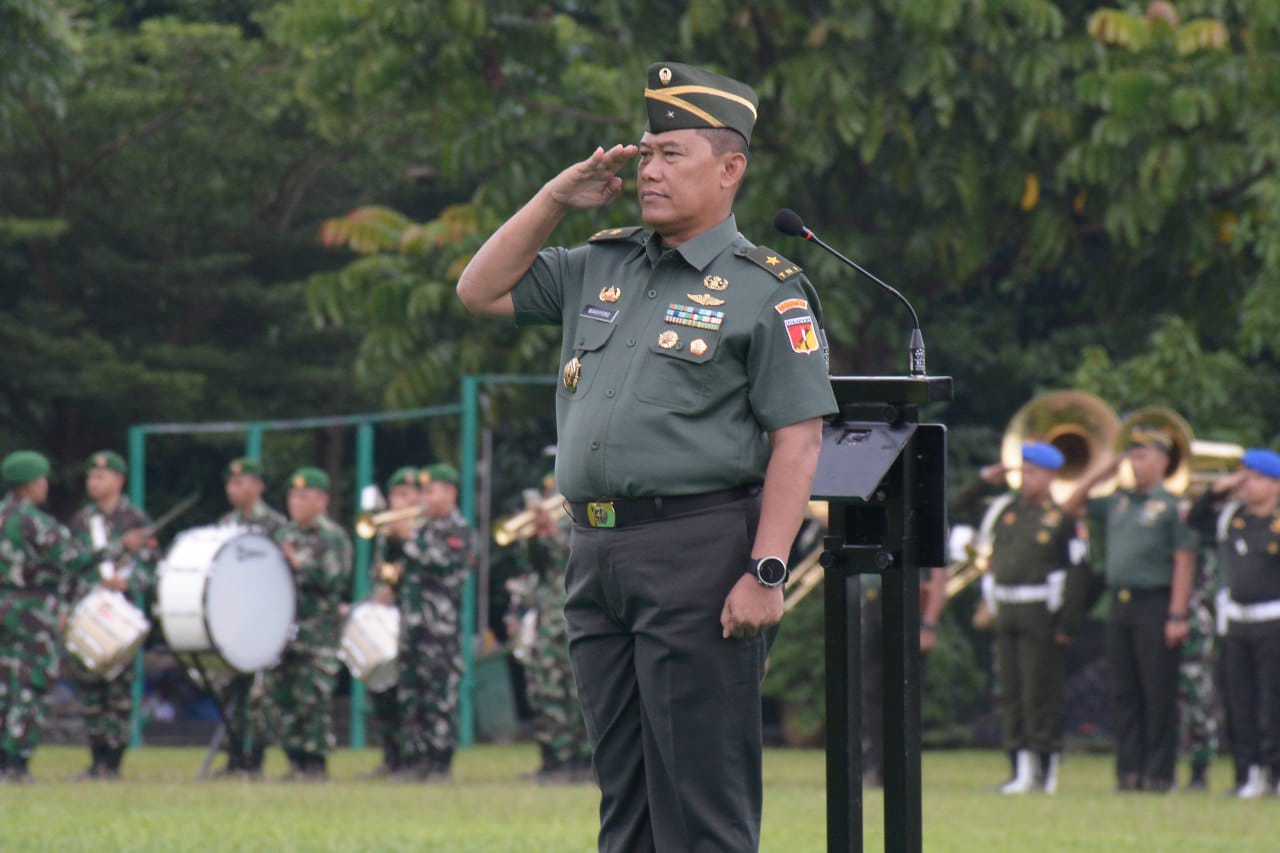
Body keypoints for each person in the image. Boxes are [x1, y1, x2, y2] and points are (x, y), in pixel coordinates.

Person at [457, 61, 838, 851]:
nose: (649, 171)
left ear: (730, 169)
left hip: (696, 549)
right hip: (596, 552)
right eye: (647, 153)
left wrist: (769, 570)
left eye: (673, 154)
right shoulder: (602, 262)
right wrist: (556, 198)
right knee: (623, 798)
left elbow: (798, 440)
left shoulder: (767, 289)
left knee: (703, 800)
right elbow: (479, 289)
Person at [1065, 424, 1198, 792]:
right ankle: (1129, 772)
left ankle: (1159, 774)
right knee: (1123, 692)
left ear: (1162, 461)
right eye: (1132, 456)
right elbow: (1071, 504)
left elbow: (1184, 562)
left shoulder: (1172, 508)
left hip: (1154, 603)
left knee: (1157, 693)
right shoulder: (1118, 502)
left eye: (1142, 456)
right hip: (1119, 604)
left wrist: (1176, 614)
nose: (1135, 464)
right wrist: (1105, 469)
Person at [965, 444, 1090, 794]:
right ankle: (1019, 768)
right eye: (1023, 471)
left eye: (1034, 472)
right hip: (1006, 609)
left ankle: (1045, 768)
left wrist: (1067, 623)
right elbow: (959, 508)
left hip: (1040, 613)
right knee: (1013, 692)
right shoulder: (1006, 510)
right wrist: (984, 481)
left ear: (1051, 476)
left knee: (1040, 692)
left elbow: (1078, 572)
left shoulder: (1062, 518)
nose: (1026, 479)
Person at [1185, 448, 1280, 798]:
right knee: (1239, 704)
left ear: (1274, 484)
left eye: (1254, 478)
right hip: (1237, 624)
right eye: (1244, 476)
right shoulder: (1232, 518)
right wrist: (1220, 488)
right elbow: (1194, 519)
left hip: (1273, 622)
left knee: (1273, 704)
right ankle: (1247, 773)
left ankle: (1274, 772)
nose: (1246, 485)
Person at [0, 451, 92, 782]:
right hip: (32, 613)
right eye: (42, 481)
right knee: (32, 683)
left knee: (4, 684)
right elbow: (74, 559)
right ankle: (17, 762)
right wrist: (114, 550)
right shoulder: (33, 521)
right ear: (31, 484)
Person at [67, 450, 159, 780]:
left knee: (119, 690)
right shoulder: (82, 521)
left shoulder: (136, 520)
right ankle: (96, 759)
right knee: (91, 687)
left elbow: (151, 568)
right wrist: (96, 581)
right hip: (90, 611)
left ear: (119, 480)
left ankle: (114, 762)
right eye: (91, 476)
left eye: (101, 477)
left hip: (121, 613)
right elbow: (72, 566)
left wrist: (128, 581)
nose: (94, 482)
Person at [380, 463, 473, 782]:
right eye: (424, 491)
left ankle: (439, 762)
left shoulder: (457, 529)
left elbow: (441, 563)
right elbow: (392, 573)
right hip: (412, 624)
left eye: (432, 491)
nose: (426, 498)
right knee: (411, 694)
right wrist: (392, 542)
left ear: (450, 493)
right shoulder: (421, 528)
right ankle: (414, 759)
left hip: (440, 629)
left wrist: (409, 538)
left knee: (439, 695)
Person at [508, 476, 593, 783]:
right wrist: (535, 535)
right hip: (548, 620)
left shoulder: (582, 518)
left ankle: (582, 761)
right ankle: (553, 760)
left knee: (577, 691)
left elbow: (573, 554)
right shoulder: (548, 527)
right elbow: (533, 563)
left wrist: (553, 530)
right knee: (546, 691)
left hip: (577, 614)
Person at [271, 467, 352, 781]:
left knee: (313, 697)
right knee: (284, 695)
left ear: (322, 500)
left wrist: (298, 563)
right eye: (293, 496)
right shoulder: (284, 535)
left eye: (304, 496)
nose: (296, 502)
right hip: (285, 630)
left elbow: (335, 578)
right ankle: (294, 760)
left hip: (318, 632)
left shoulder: (332, 537)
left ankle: (315, 763)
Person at [214, 456, 288, 779]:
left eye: (240, 482)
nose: (233, 489)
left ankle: (254, 760)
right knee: (231, 689)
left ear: (258, 486)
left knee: (259, 697)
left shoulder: (275, 525)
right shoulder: (225, 524)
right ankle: (233, 758)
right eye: (230, 483)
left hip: (263, 619)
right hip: (232, 619)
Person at [362, 466, 422, 778]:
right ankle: (391, 755)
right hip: (391, 620)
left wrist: (408, 537)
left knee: (414, 693)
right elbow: (381, 572)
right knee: (383, 687)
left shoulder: (426, 528)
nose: (399, 502)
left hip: (423, 620)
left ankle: (416, 759)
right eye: (396, 495)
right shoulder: (387, 532)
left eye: (406, 495)